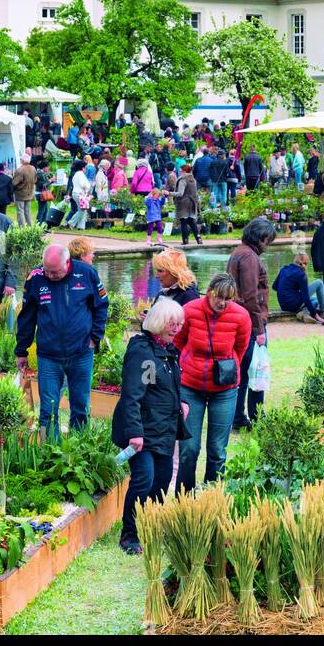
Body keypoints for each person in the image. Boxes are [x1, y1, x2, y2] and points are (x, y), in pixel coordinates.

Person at [112, 296, 190, 555]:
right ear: (157, 322)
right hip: (142, 431)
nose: (176, 328)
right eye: (172, 323)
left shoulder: (167, 351)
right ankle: (129, 535)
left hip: (163, 428)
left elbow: (169, 386)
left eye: (179, 323)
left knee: (161, 480)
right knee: (143, 479)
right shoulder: (144, 353)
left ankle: (151, 527)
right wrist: (135, 432)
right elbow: (133, 394)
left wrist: (182, 403)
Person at [15, 241, 109, 439]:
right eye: (47, 271)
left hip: (81, 352)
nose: (50, 276)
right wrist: (21, 350)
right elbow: (26, 317)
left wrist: (95, 337)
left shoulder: (86, 274)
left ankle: (79, 450)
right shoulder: (36, 277)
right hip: (49, 355)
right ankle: (51, 453)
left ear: (68, 263)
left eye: (55, 272)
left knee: (80, 406)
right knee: (48, 410)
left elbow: (101, 306)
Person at [174, 273, 251, 491]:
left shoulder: (241, 316)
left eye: (228, 298)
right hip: (190, 386)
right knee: (189, 448)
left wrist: (228, 365)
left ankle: (211, 496)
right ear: (209, 292)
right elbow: (179, 341)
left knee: (218, 449)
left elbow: (241, 349)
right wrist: (188, 364)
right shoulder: (190, 310)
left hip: (224, 389)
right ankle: (184, 497)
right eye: (218, 297)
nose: (222, 302)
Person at [228, 217, 275, 430]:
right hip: (250, 322)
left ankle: (239, 416)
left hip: (242, 319)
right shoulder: (248, 257)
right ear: (260, 238)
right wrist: (259, 330)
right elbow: (250, 296)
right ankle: (252, 417)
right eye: (267, 241)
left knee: (244, 370)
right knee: (255, 369)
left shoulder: (240, 252)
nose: (268, 246)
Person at [272, 251, 324, 322]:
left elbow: (274, 287)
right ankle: (323, 311)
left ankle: (304, 312)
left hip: (283, 305)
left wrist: (289, 290)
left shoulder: (284, 269)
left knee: (315, 298)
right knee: (319, 283)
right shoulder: (301, 274)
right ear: (303, 264)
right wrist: (316, 316)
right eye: (307, 264)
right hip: (293, 305)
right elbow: (306, 298)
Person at [174, 164, 202, 245]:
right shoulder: (193, 179)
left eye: (180, 170)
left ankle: (185, 241)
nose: (179, 172)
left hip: (183, 203)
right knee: (191, 221)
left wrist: (169, 193)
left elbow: (180, 193)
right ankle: (198, 239)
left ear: (184, 171)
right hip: (192, 203)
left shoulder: (183, 180)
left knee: (184, 222)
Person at [11, 156, 36, 228]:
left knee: (20, 211)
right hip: (30, 192)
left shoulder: (20, 170)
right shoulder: (33, 168)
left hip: (20, 193)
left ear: (22, 161)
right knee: (28, 212)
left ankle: (22, 228)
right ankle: (29, 226)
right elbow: (35, 180)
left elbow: (14, 183)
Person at [67, 164, 92, 230]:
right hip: (80, 194)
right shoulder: (80, 174)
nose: (86, 170)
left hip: (77, 193)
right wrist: (88, 187)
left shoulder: (76, 174)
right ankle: (71, 223)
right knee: (82, 210)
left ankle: (81, 226)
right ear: (83, 168)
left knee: (82, 210)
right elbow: (82, 184)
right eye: (85, 168)